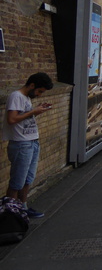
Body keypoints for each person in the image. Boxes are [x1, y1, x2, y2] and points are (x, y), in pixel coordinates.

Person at [2, 72, 54, 219]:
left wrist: (37, 111)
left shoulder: (26, 98)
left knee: (27, 179)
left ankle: (22, 207)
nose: (39, 94)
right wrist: (33, 111)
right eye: (39, 91)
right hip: (21, 144)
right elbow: (12, 119)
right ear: (32, 85)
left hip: (32, 142)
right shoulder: (16, 96)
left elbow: (24, 118)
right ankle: (10, 215)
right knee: (17, 181)